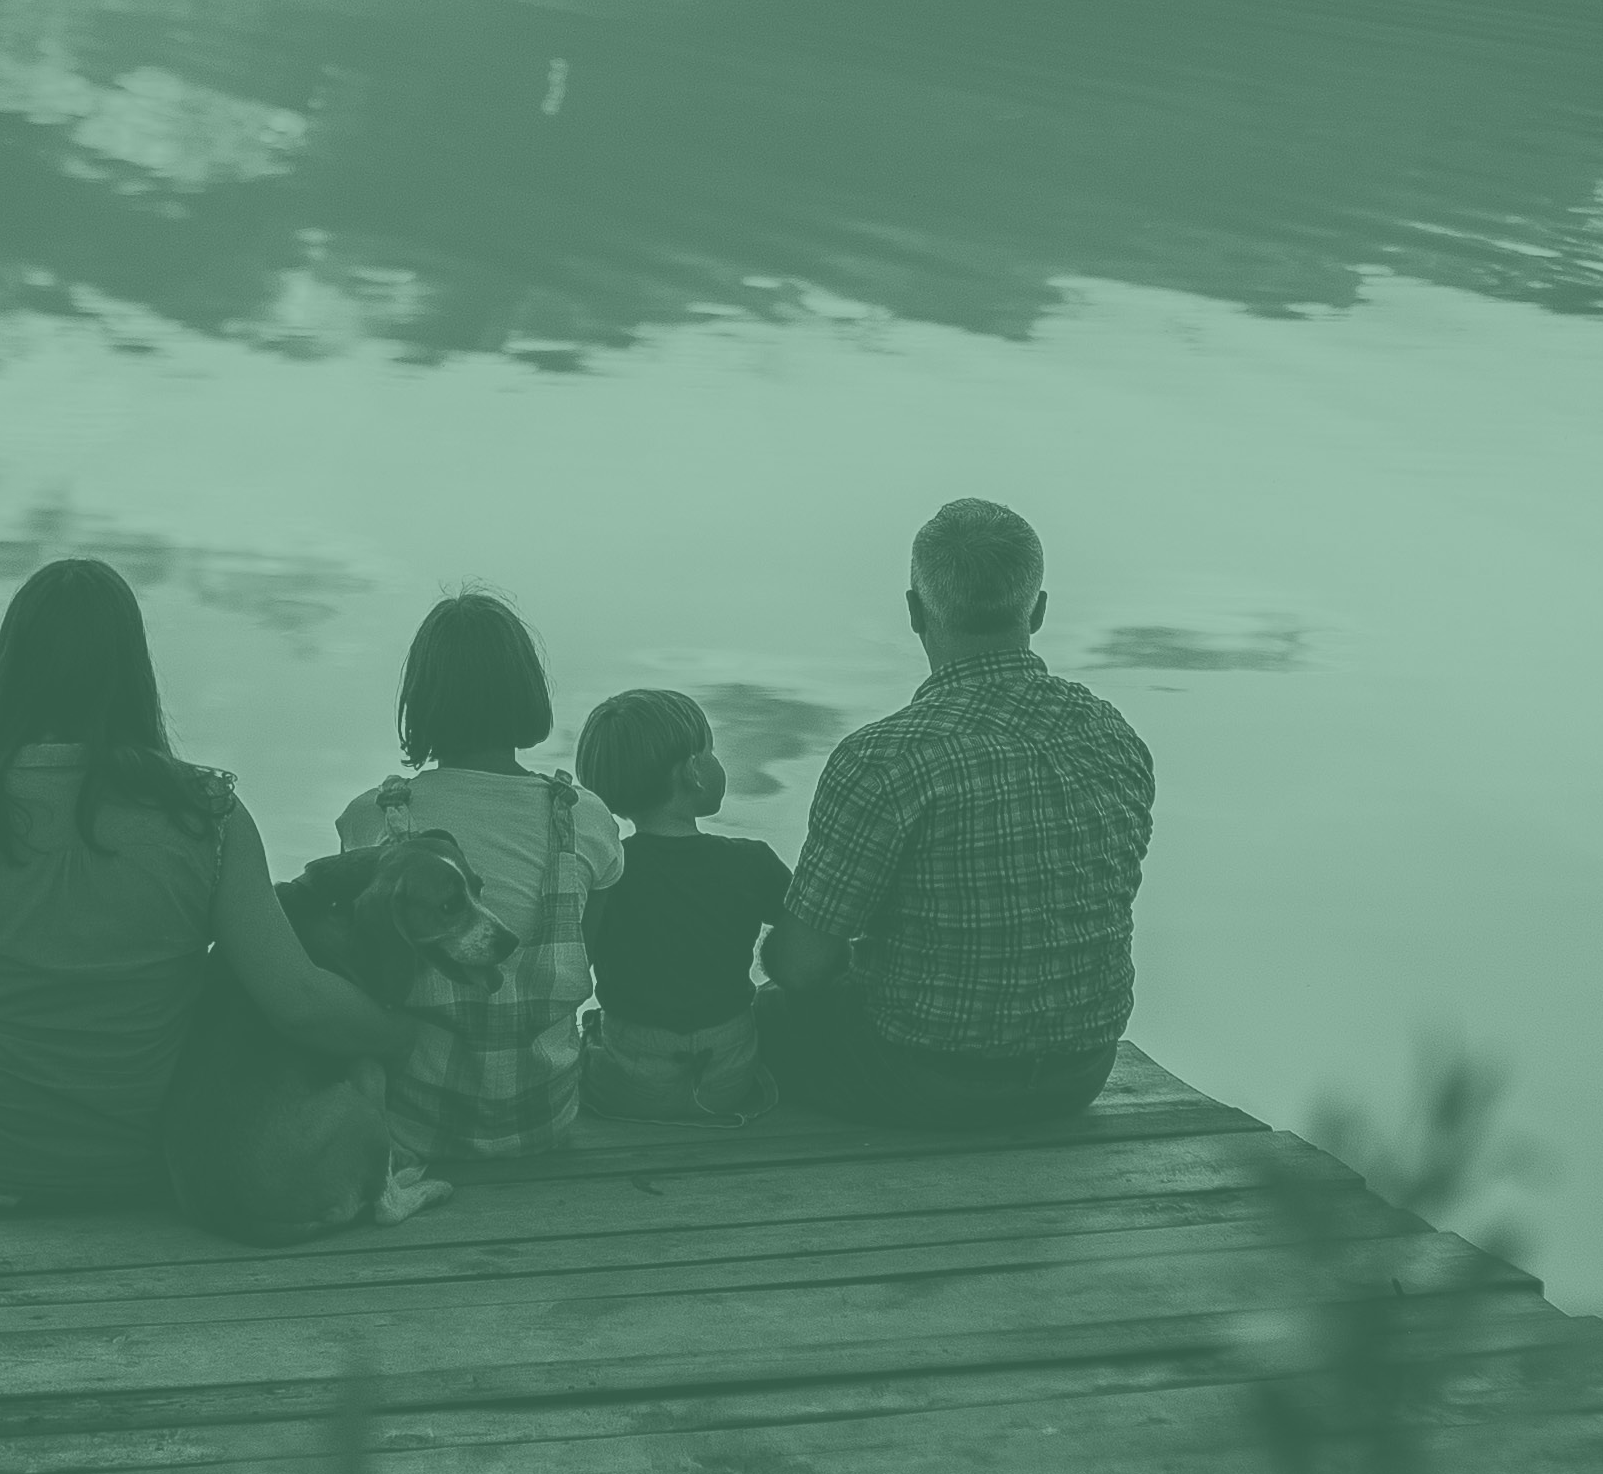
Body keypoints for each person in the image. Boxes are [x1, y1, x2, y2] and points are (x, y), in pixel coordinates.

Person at [0, 559, 406, 1211]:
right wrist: (403, 1033)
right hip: (147, 1163)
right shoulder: (205, 817)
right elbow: (296, 1001)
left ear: (9, 673)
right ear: (133, 674)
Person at [766, 500, 1155, 1126]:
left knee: (764, 1016)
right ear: (1039, 610)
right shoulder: (1112, 737)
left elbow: (800, 967)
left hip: (923, 1078)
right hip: (1080, 1074)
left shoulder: (884, 759)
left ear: (915, 612)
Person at [332, 592, 623, 1171]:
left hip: (412, 1128)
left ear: (420, 700)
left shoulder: (375, 820)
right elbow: (598, 950)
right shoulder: (585, 817)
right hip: (545, 1120)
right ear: (528, 691)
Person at [572, 686, 786, 1123]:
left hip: (627, 1085)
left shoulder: (606, 872)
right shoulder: (751, 861)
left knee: (591, 1026)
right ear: (693, 772)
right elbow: (807, 935)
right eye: (710, 750)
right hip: (730, 1079)